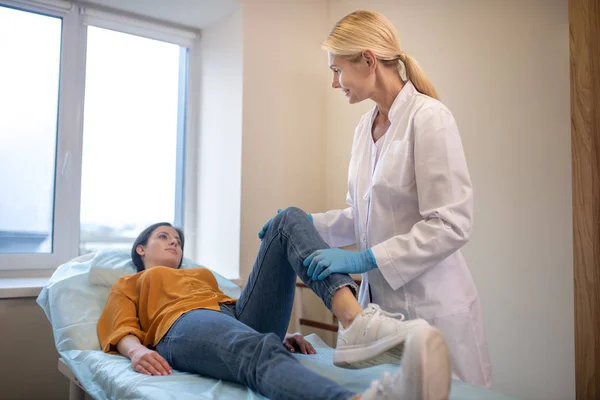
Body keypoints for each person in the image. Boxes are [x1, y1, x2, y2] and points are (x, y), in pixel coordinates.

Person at [259, 10, 492, 389]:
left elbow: (451, 224)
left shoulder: (428, 118)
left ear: (368, 60)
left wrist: (366, 258)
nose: (334, 83)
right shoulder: (364, 129)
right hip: (383, 312)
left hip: (432, 307)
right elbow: (361, 217)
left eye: (337, 70)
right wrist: (301, 222)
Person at [98, 208, 452, 400]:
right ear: (140, 249)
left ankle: (355, 321)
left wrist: (275, 332)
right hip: (180, 324)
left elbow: (230, 319)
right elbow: (121, 327)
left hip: (230, 317)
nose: (174, 242)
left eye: (177, 239)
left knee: (287, 220)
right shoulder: (132, 281)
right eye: (163, 237)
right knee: (256, 348)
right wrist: (135, 352)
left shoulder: (201, 274)